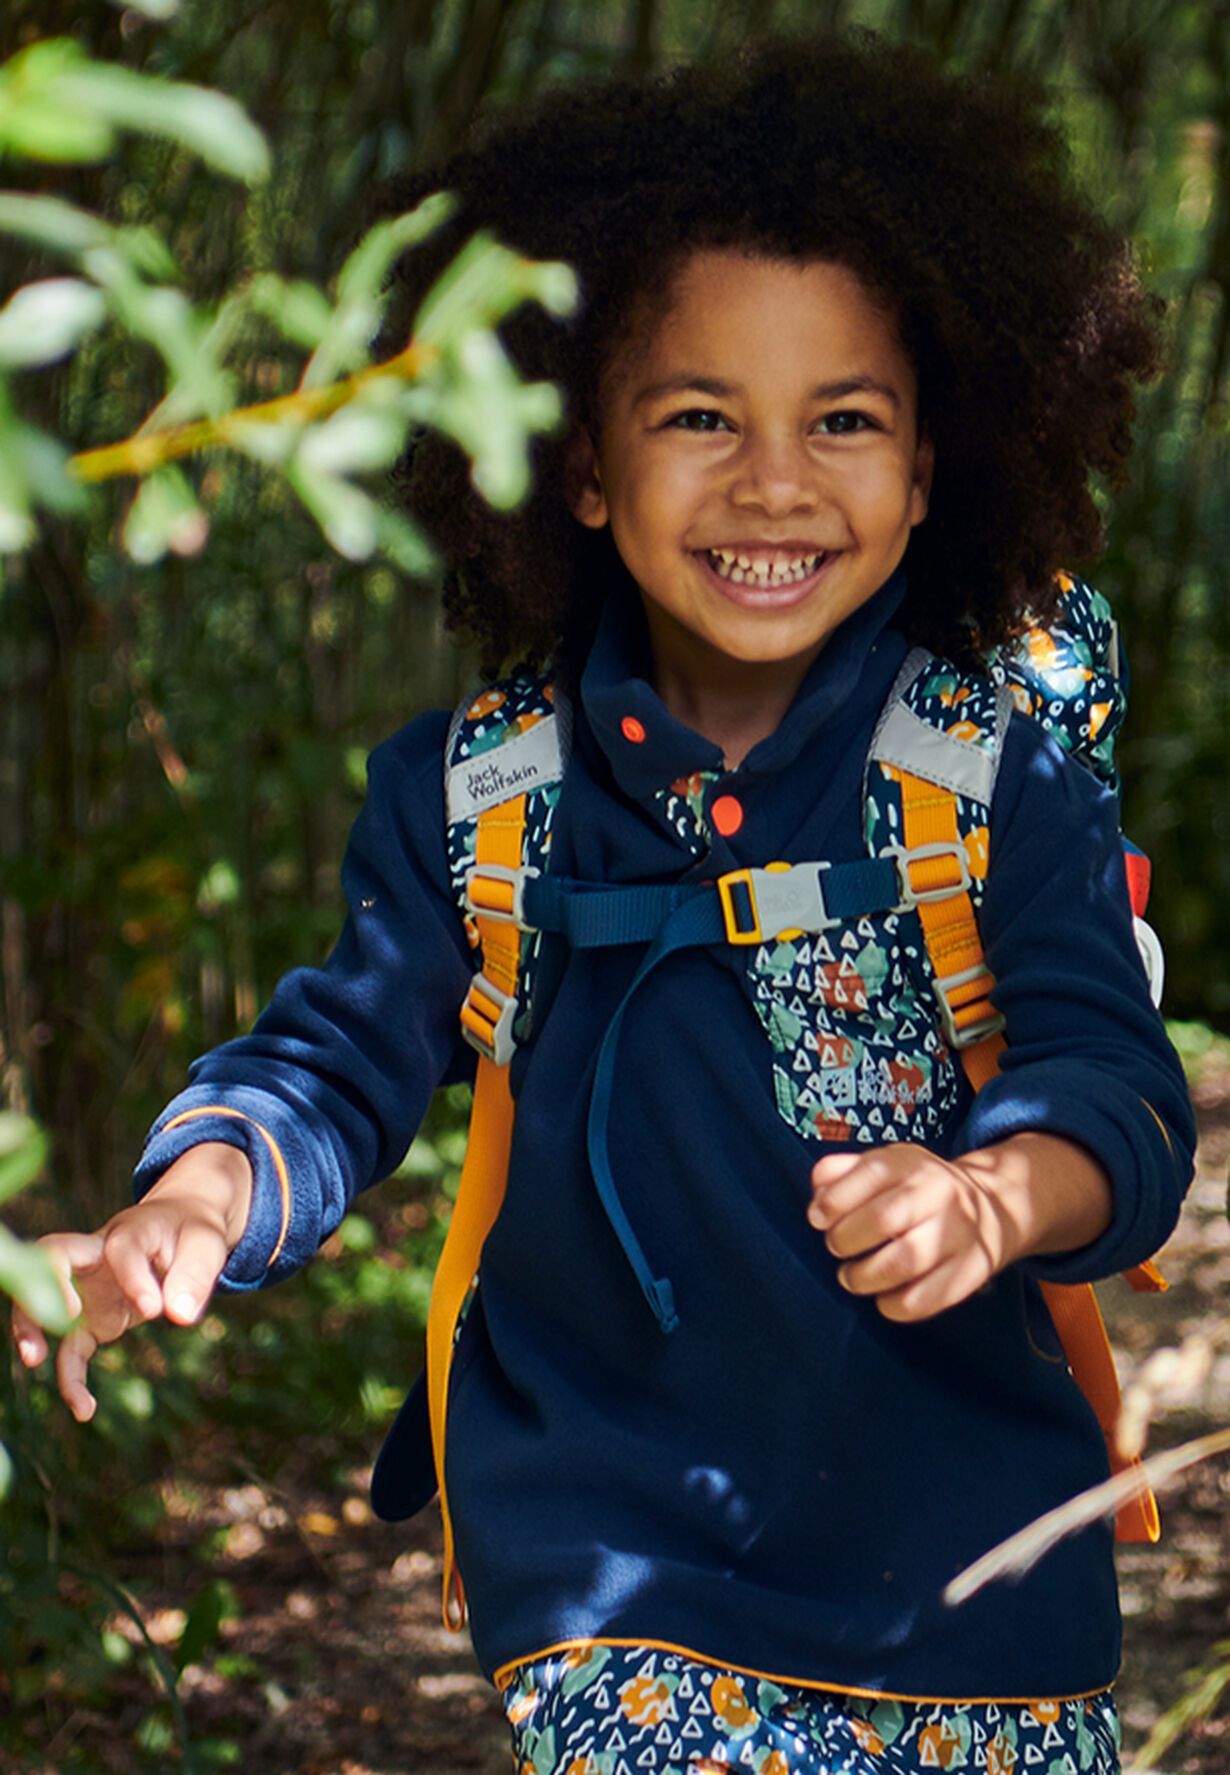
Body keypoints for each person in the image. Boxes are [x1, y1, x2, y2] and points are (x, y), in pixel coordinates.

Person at [12, 33, 1197, 1775]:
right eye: (697, 416)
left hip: (973, 1575)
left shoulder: (984, 777)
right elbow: (337, 1064)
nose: (773, 482)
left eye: (844, 421)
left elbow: (1119, 1087)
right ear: (579, 465)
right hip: (608, 1555)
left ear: (931, 469)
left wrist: (999, 1194)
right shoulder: (476, 797)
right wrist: (187, 1205)